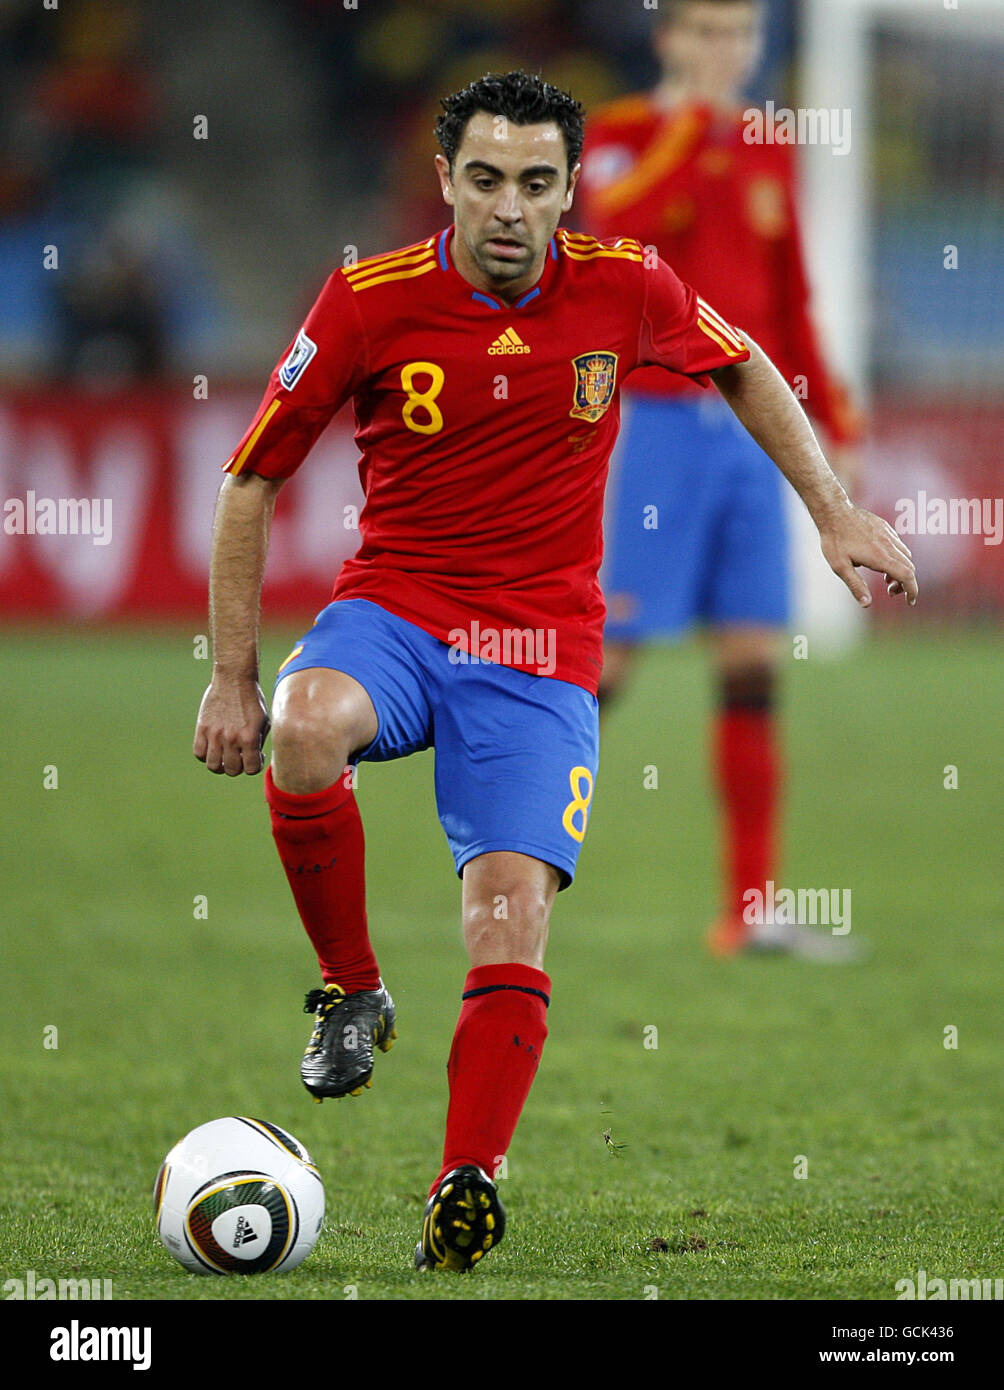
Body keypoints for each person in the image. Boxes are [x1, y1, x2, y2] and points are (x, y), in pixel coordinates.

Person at [192, 71, 916, 1272]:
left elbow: (742, 366)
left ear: (571, 188)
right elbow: (248, 478)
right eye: (484, 180)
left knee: (508, 918)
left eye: (536, 182)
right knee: (304, 723)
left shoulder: (627, 287)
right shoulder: (368, 302)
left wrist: (832, 511)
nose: (509, 209)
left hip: (537, 652)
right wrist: (230, 676)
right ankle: (350, 991)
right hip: (399, 612)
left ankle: (463, 1181)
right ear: (445, 183)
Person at [578, 0, 863, 958]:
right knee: (609, 658)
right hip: (656, 425)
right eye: (704, 31)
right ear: (667, 40)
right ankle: (508, 857)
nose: (724, 50)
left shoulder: (770, 145)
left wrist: (836, 419)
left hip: (756, 432)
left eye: (739, 33)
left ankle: (749, 912)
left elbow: (792, 297)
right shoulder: (621, 134)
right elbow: (621, 234)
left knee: (752, 662)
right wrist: (691, 128)